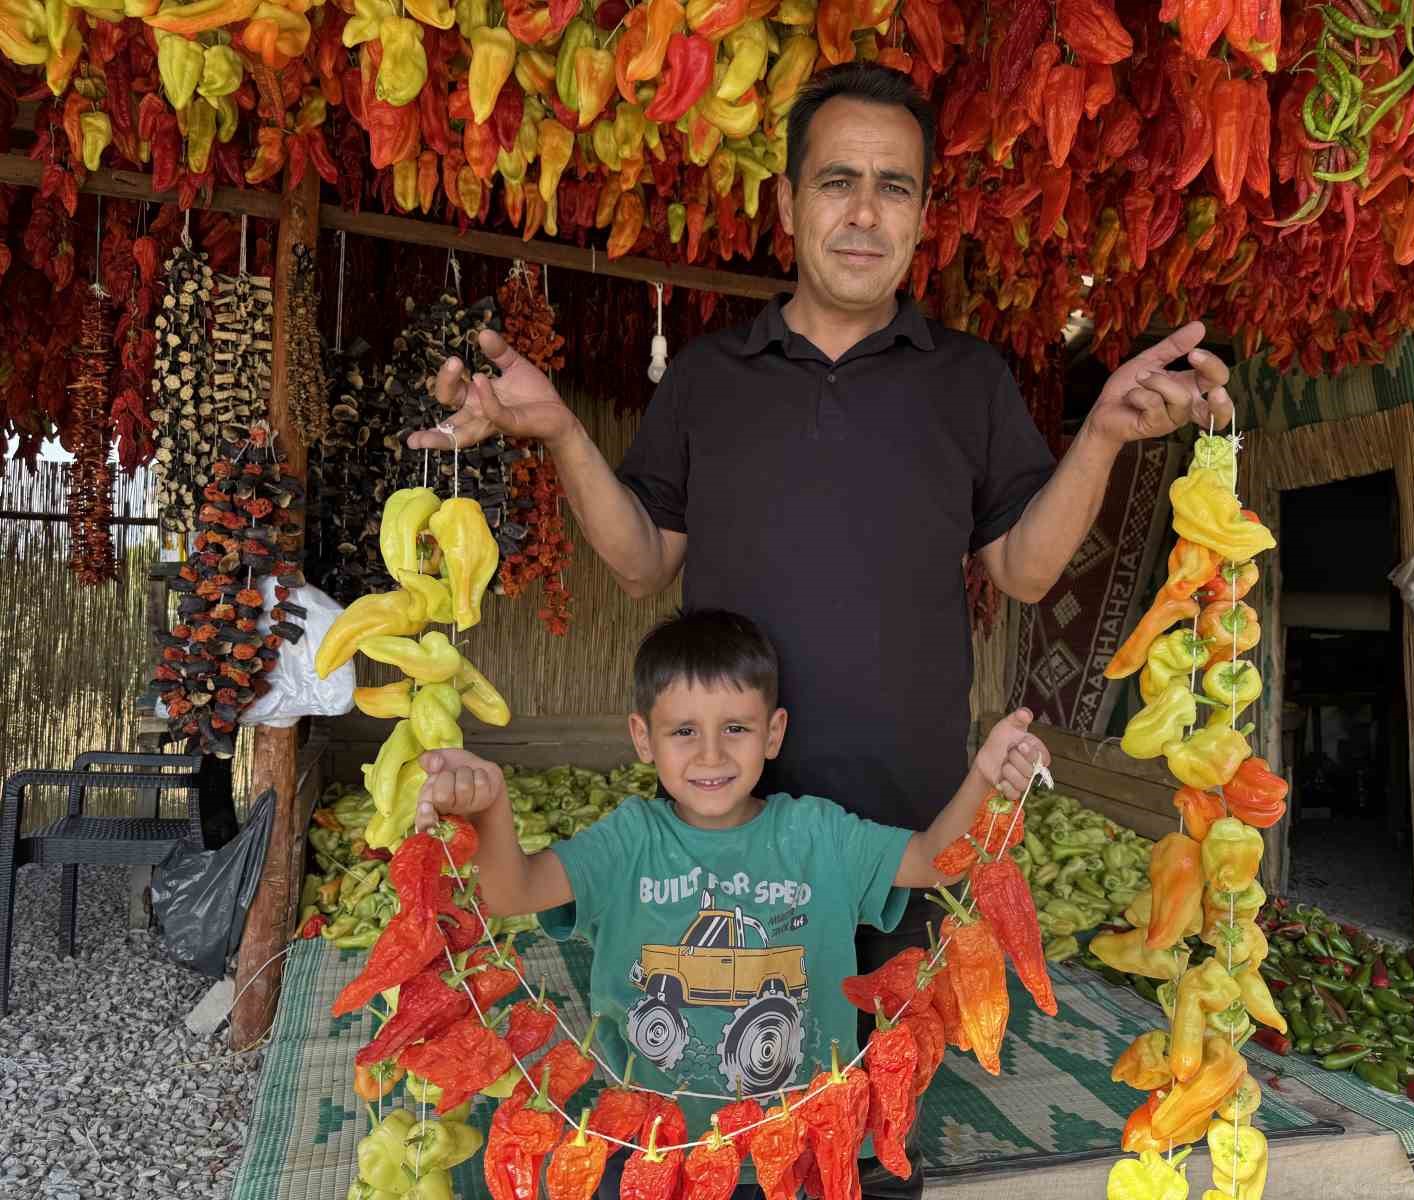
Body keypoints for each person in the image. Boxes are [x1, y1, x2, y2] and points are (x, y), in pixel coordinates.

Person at [410, 61, 1233, 1196]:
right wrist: (558, 434)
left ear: (923, 217)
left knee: (861, 1130)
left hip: (896, 837)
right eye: (837, 181)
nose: (863, 211)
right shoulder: (711, 379)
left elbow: (1027, 568)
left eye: (894, 188)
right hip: (723, 837)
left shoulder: (967, 381)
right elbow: (645, 558)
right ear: (788, 202)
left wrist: (1097, 435)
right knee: (696, 1117)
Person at [413, 609, 1051, 1200]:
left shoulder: (817, 835)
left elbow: (933, 857)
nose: (711, 754)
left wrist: (985, 774)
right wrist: (489, 810)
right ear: (643, 737)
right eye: (684, 731)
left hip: (795, 1145)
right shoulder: (629, 839)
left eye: (736, 728)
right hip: (653, 1148)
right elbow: (509, 893)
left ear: (773, 734)